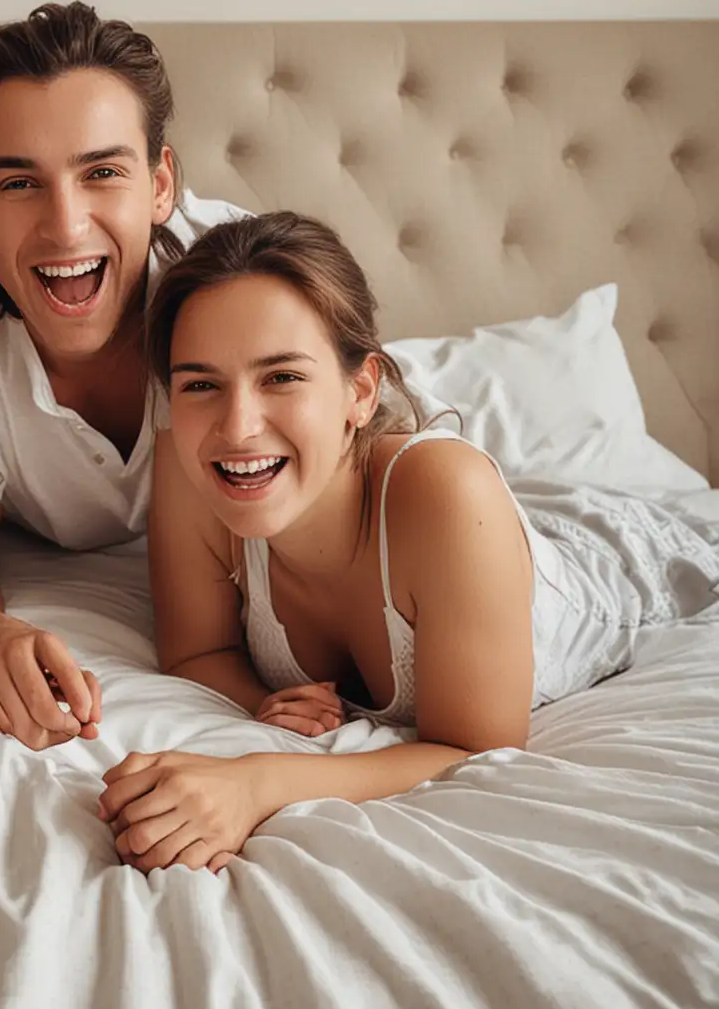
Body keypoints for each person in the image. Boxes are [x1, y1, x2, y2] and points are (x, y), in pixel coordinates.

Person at [101, 211, 719, 873]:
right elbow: (198, 649)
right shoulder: (193, 462)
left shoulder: (448, 492)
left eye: (281, 376)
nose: (237, 426)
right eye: (201, 384)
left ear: (360, 391)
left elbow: (474, 750)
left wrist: (256, 782)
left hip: (621, 565)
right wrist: (266, 704)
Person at [0, 1, 239, 751]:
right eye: (20, 183)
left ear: (160, 184)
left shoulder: (247, 293)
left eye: (103, 173)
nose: (66, 226)